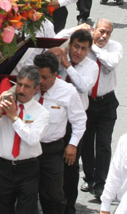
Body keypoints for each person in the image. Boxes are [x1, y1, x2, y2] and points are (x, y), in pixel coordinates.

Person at [0, 66, 50, 214]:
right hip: (3, 167)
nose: (21, 90)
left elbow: (32, 139)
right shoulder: (2, 102)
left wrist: (14, 117)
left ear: (36, 88)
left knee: (27, 209)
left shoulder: (42, 112)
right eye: (19, 84)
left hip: (28, 169)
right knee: (2, 209)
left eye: (27, 86)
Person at [32, 51, 86, 214]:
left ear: (56, 74)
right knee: (27, 193)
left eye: (45, 77)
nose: (41, 82)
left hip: (52, 150)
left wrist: (73, 144)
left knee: (54, 195)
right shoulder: (28, 87)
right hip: (29, 150)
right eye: (38, 76)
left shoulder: (68, 92)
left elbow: (79, 121)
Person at [81, 19, 123, 199]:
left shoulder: (115, 47)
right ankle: (89, 177)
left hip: (107, 102)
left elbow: (110, 63)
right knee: (86, 143)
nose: (104, 36)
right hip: (87, 102)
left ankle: (101, 183)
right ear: (93, 30)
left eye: (108, 33)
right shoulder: (84, 46)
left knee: (104, 144)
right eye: (101, 31)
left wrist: (93, 47)